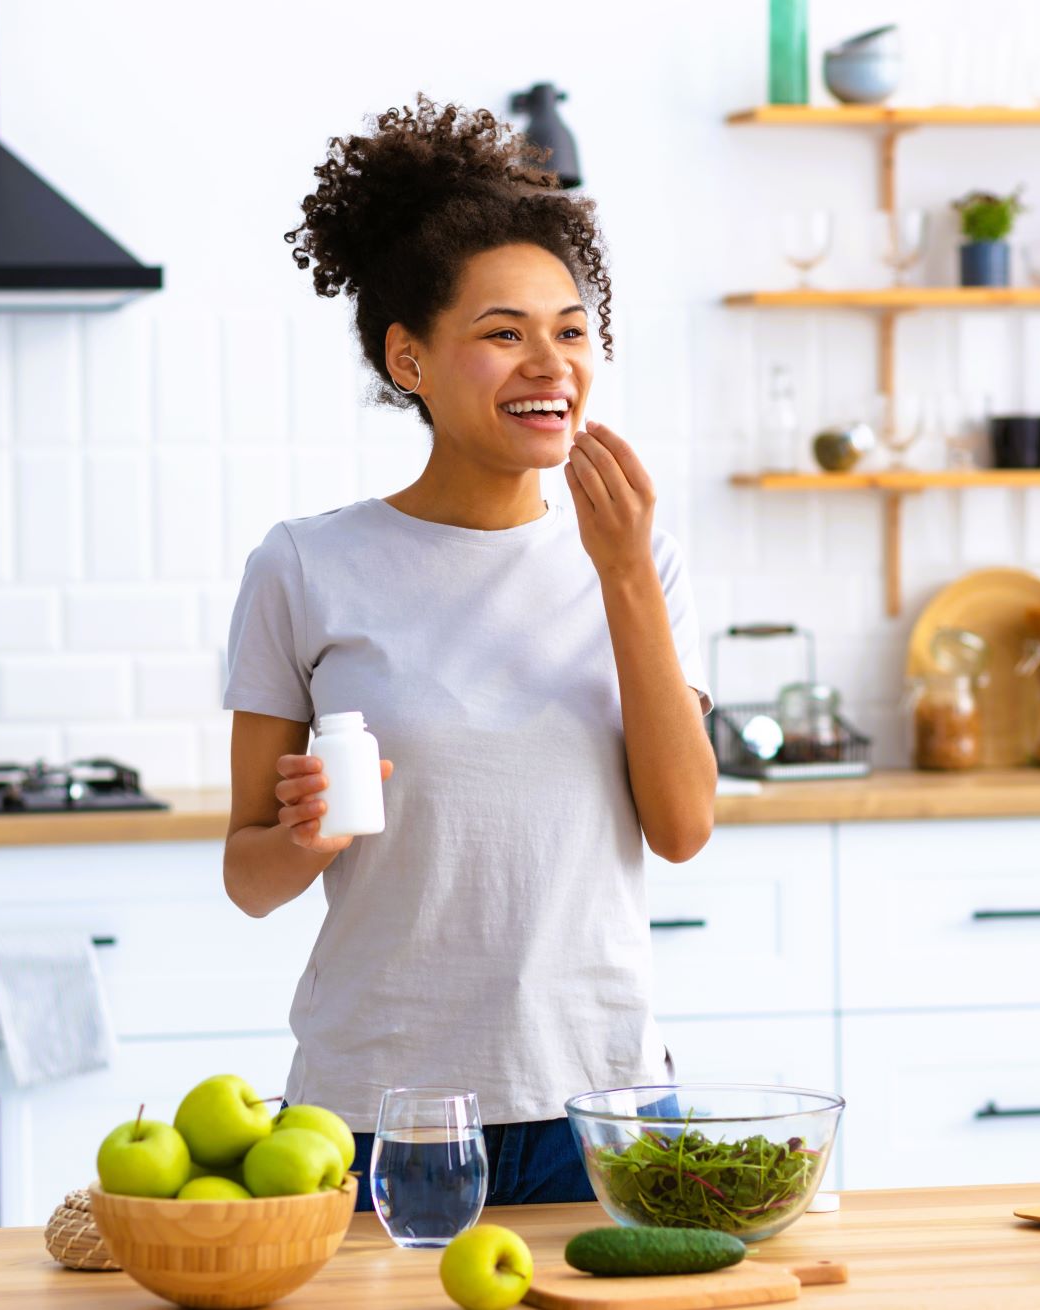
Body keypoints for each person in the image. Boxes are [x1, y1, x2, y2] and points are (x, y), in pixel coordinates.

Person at [221, 97, 717, 1210]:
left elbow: (682, 827)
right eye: (503, 332)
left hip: (605, 1102)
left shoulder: (641, 558)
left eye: (571, 328)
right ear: (411, 359)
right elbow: (247, 876)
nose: (549, 361)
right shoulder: (305, 568)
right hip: (378, 1114)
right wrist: (305, 836)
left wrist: (624, 573)